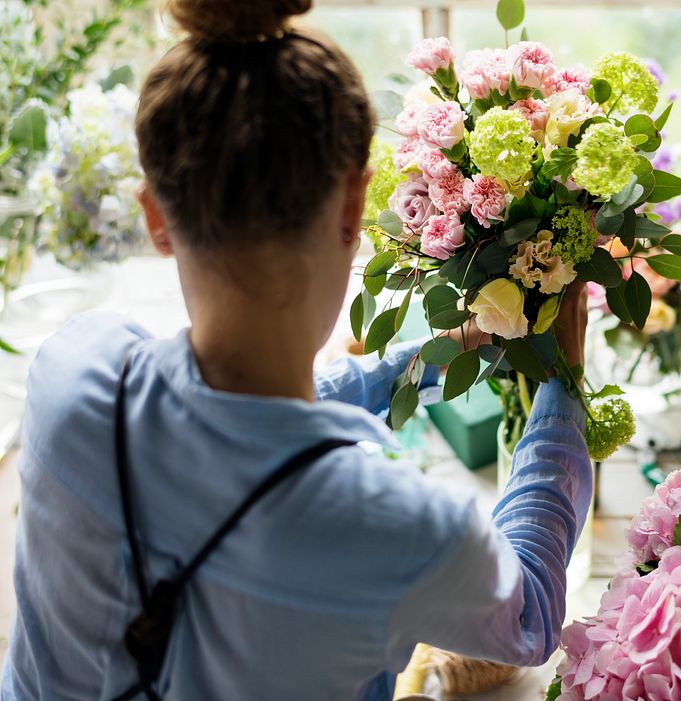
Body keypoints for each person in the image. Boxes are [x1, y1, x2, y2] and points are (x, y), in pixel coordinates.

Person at [0, 1, 592, 700]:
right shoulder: (399, 531)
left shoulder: (70, 372)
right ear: (354, 209)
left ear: (155, 216)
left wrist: (420, 362)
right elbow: (528, 618)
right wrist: (562, 394)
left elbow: (217, 421)